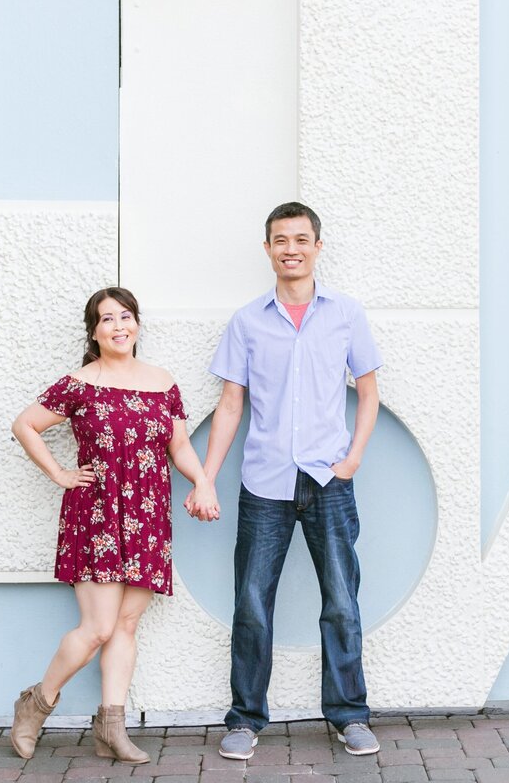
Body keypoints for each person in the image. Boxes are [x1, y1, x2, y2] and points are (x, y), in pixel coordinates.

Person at [186, 202, 382, 758]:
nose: (290, 248)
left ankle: (348, 715)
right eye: (280, 239)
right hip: (265, 484)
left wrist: (353, 459)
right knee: (251, 603)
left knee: (342, 601)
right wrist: (205, 478)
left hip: (329, 480)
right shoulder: (248, 321)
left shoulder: (345, 314)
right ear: (267, 249)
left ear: (318, 246)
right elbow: (230, 405)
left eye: (301, 238)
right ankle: (246, 720)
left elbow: (368, 393)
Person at [9, 286, 219, 764]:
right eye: (107, 319)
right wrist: (60, 473)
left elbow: (179, 446)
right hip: (97, 515)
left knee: (126, 624)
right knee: (98, 627)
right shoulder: (79, 384)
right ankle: (36, 704)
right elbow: (25, 424)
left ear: (137, 324)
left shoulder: (163, 382)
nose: (119, 325)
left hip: (147, 516)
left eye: (126, 316)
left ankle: (111, 730)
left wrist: (203, 482)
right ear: (94, 331)